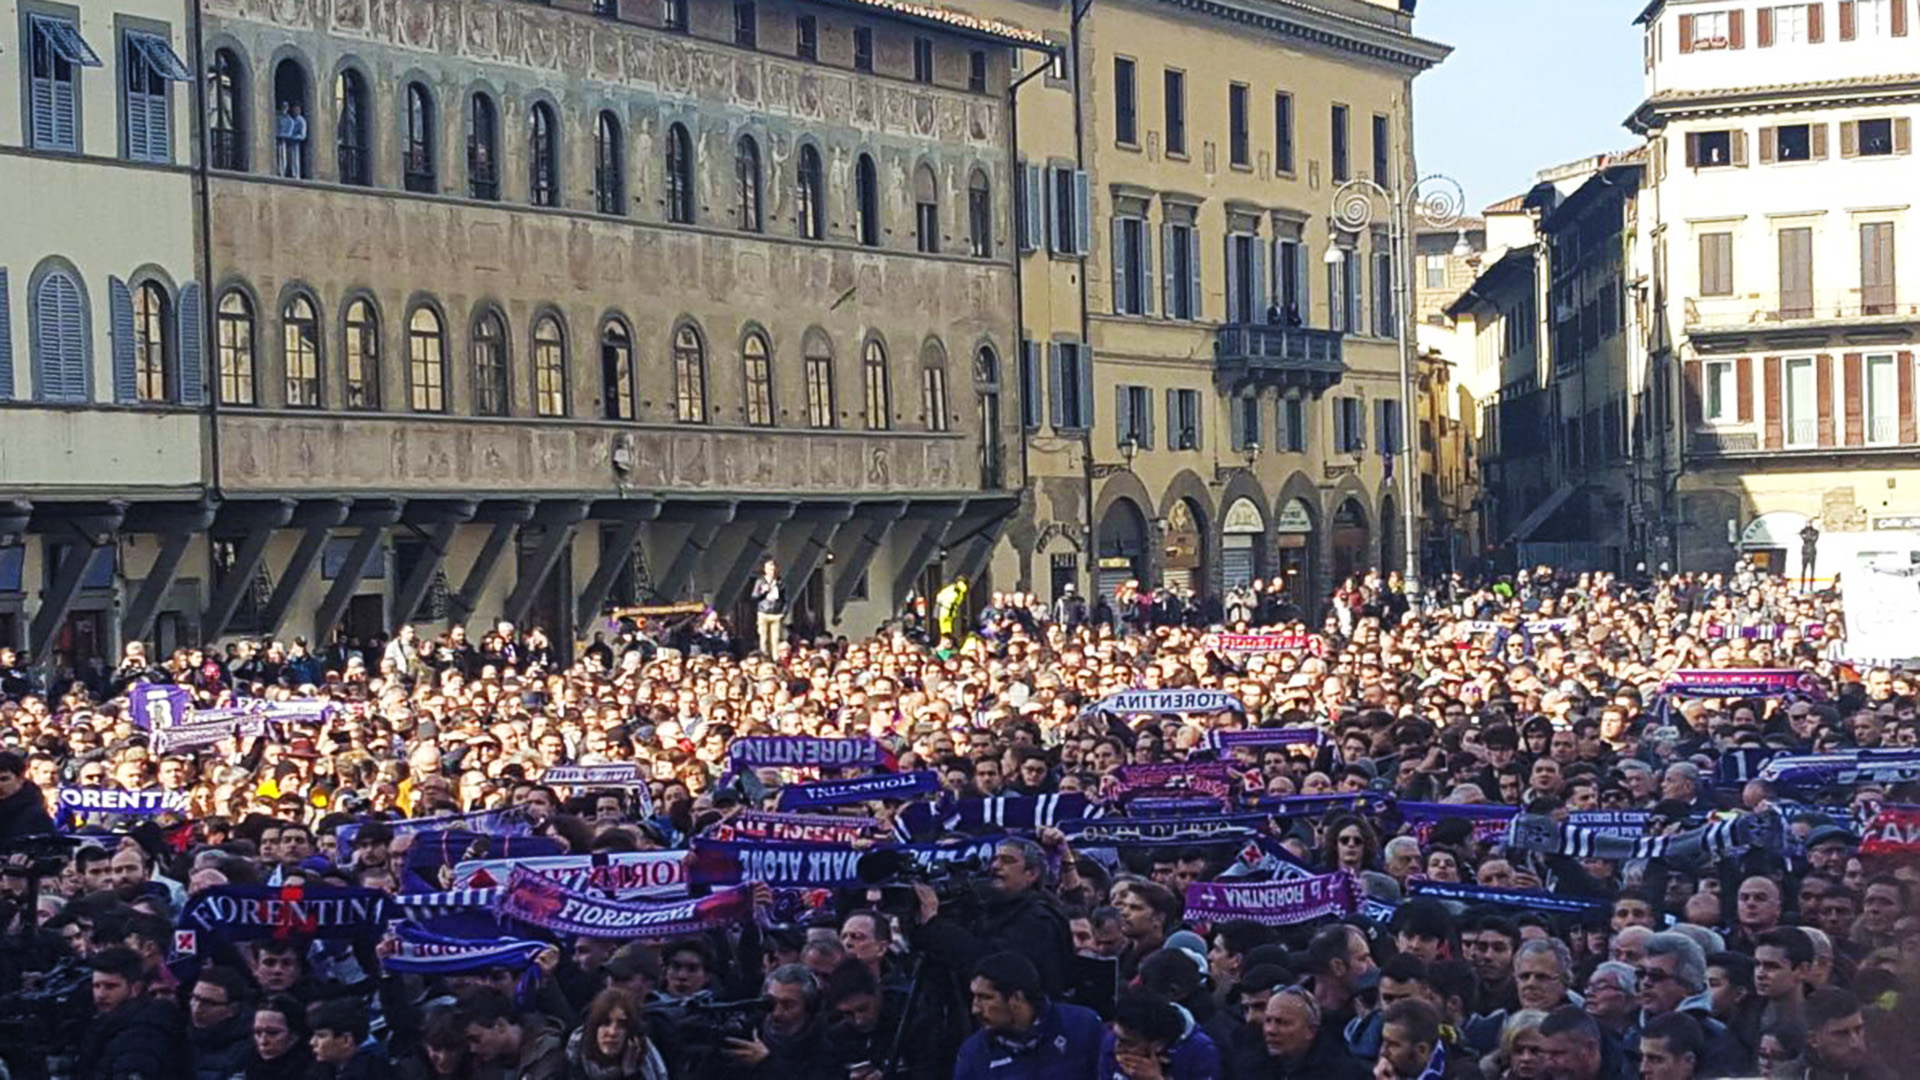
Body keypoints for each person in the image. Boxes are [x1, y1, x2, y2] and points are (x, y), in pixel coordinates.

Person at [953, 952, 1104, 1080]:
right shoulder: (974, 1053)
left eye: (985, 998)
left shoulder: (1082, 1027)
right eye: (974, 997)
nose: (975, 1009)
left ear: (1016, 998)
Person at [77, 946, 189, 1080]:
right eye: (96, 986)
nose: (101, 995)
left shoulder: (143, 1033)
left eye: (110, 986)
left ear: (135, 988)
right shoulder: (109, 1025)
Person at [751, 560, 787, 657]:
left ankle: (775, 657)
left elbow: (784, 598)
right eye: (770, 569)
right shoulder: (760, 581)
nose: (773, 572)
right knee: (764, 637)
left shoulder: (780, 582)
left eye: (774, 569)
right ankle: (764, 656)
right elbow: (754, 596)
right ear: (765, 570)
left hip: (776, 613)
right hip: (763, 612)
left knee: (775, 638)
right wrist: (763, 592)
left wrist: (783, 611)